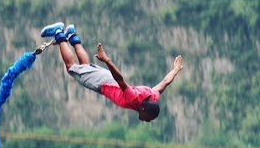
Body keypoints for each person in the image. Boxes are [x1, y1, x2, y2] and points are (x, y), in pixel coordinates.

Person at [40, 22, 184, 122]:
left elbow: (165, 83)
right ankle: (59, 33)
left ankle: (72, 35)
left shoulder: (152, 97)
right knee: (71, 67)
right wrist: (107, 60)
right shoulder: (134, 98)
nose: (146, 121)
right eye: (148, 119)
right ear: (144, 110)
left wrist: (176, 70)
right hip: (105, 83)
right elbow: (120, 80)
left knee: (85, 66)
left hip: (106, 80)